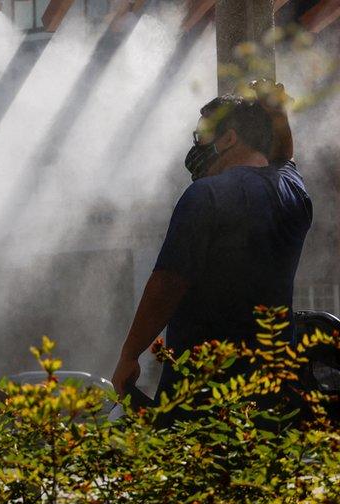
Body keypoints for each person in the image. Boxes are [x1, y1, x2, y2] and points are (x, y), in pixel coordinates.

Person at [111, 82, 311, 421]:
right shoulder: (293, 193)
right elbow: (283, 158)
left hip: (204, 392)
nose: (195, 147)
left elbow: (167, 284)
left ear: (229, 138)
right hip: (272, 392)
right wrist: (279, 116)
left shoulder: (206, 195)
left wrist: (130, 355)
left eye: (202, 135)